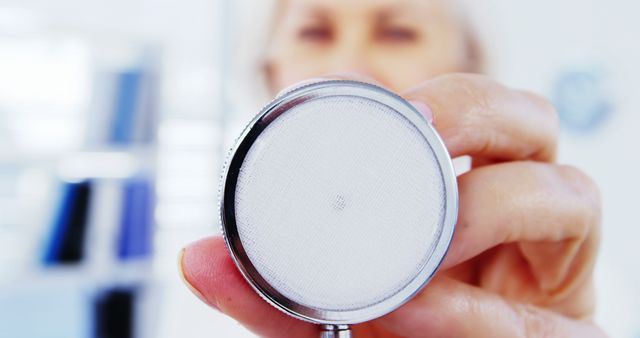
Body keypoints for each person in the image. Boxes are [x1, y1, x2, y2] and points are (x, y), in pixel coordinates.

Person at [179, 0, 605, 336]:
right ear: (268, 71)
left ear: (467, 66)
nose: (352, 65)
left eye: (398, 32)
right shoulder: (198, 302)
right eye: (315, 32)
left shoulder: (553, 288)